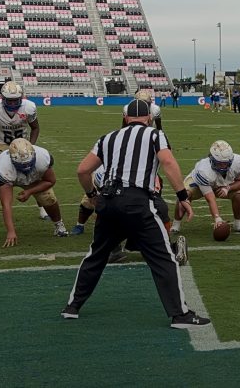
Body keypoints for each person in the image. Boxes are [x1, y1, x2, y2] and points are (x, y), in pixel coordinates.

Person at [62, 98, 210, 328]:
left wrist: (93, 195)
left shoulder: (107, 137)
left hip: (108, 201)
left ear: (125, 117)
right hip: (137, 201)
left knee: (96, 255)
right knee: (164, 259)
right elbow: (168, 162)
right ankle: (179, 315)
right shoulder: (154, 134)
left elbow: (82, 170)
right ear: (149, 118)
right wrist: (182, 196)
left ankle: (72, 307)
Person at [0, 81, 46, 241]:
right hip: (2, 146)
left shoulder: (29, 107)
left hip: (24, 146)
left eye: (15, 100)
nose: (12, 103)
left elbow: (35, 127)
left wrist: (30, 146)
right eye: (9, 100)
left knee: (34, 177)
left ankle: (44, 209)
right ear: (2, 98)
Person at [0, 139, 69, 247]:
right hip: (10, 174)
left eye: (28, 162)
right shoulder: (3, 167)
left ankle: (59, 224)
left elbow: (50, 181)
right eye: (22, 164)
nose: (26, 167)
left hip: (33, 177)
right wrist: (11, 231)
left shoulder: (42, 157)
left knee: (48, 197)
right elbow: (6, 204)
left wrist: (29, 191)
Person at [171, 140, 240, 233]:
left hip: (221, 184)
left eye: (226, 163)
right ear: (211, 159)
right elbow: (210, 199)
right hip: (198, 184)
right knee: (184, 195)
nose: (223, 166)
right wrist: (217, 218)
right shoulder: (204, 170)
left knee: (239, 195)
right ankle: (176, 224)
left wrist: (228, 188)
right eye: (220, 163)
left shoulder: (237, 161)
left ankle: (238, 223)